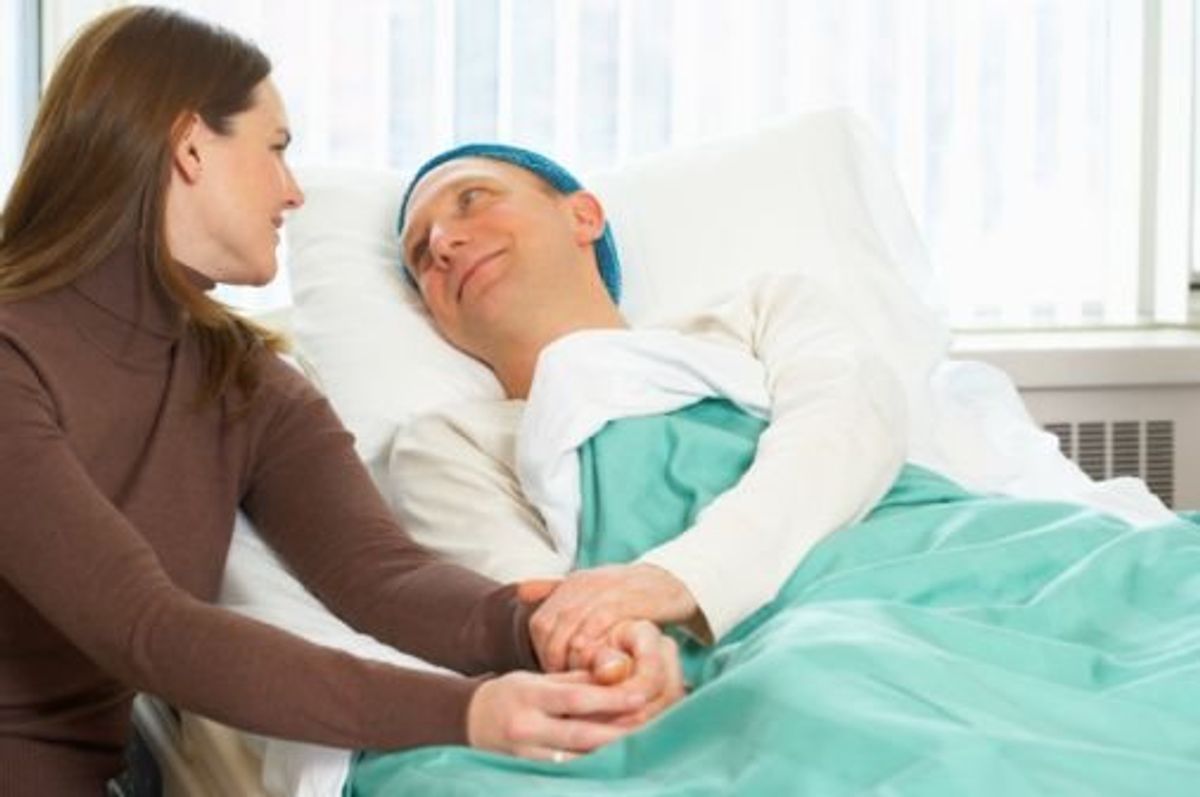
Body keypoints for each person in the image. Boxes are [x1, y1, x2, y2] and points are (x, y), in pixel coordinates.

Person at [0, 8, 682, 793]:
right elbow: (149, 628)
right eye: (277, 149)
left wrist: (556, 628)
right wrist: (472, 711)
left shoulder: (242, 382)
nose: (293, 193)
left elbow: (381, 576)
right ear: (190, 146)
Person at [393, 143, 908, 673]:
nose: (443, 244)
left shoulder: (758, 313)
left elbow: (850, 421)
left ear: (583, 215)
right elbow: (545, 614)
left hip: (914, 564)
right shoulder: (451, 443)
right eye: (419, 257)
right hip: (705, 660)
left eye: (472, 199)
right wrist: (617, 660)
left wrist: (683, 576)